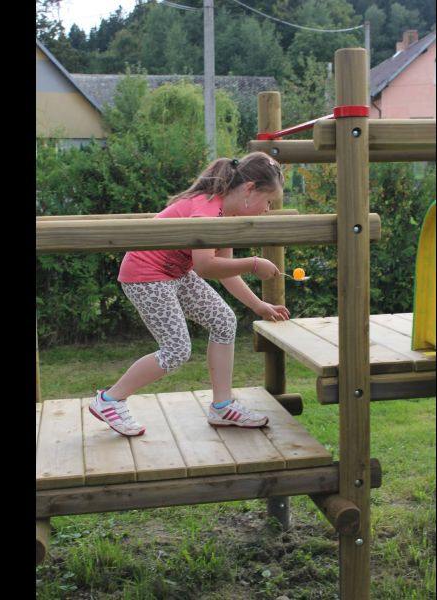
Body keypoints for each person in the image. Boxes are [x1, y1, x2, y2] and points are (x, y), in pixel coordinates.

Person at [88, 152, 290, 436]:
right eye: (268, 201)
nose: (267, 209)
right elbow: (205, 266)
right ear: (249, 189)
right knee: (176, 350)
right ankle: (109, 400)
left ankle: (222, 406)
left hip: (175, 274)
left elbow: (224, 270)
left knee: (223, 321)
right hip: (146, 274)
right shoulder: (207, 209)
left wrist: (258, 305)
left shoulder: (227, 215)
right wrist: (254, 264)